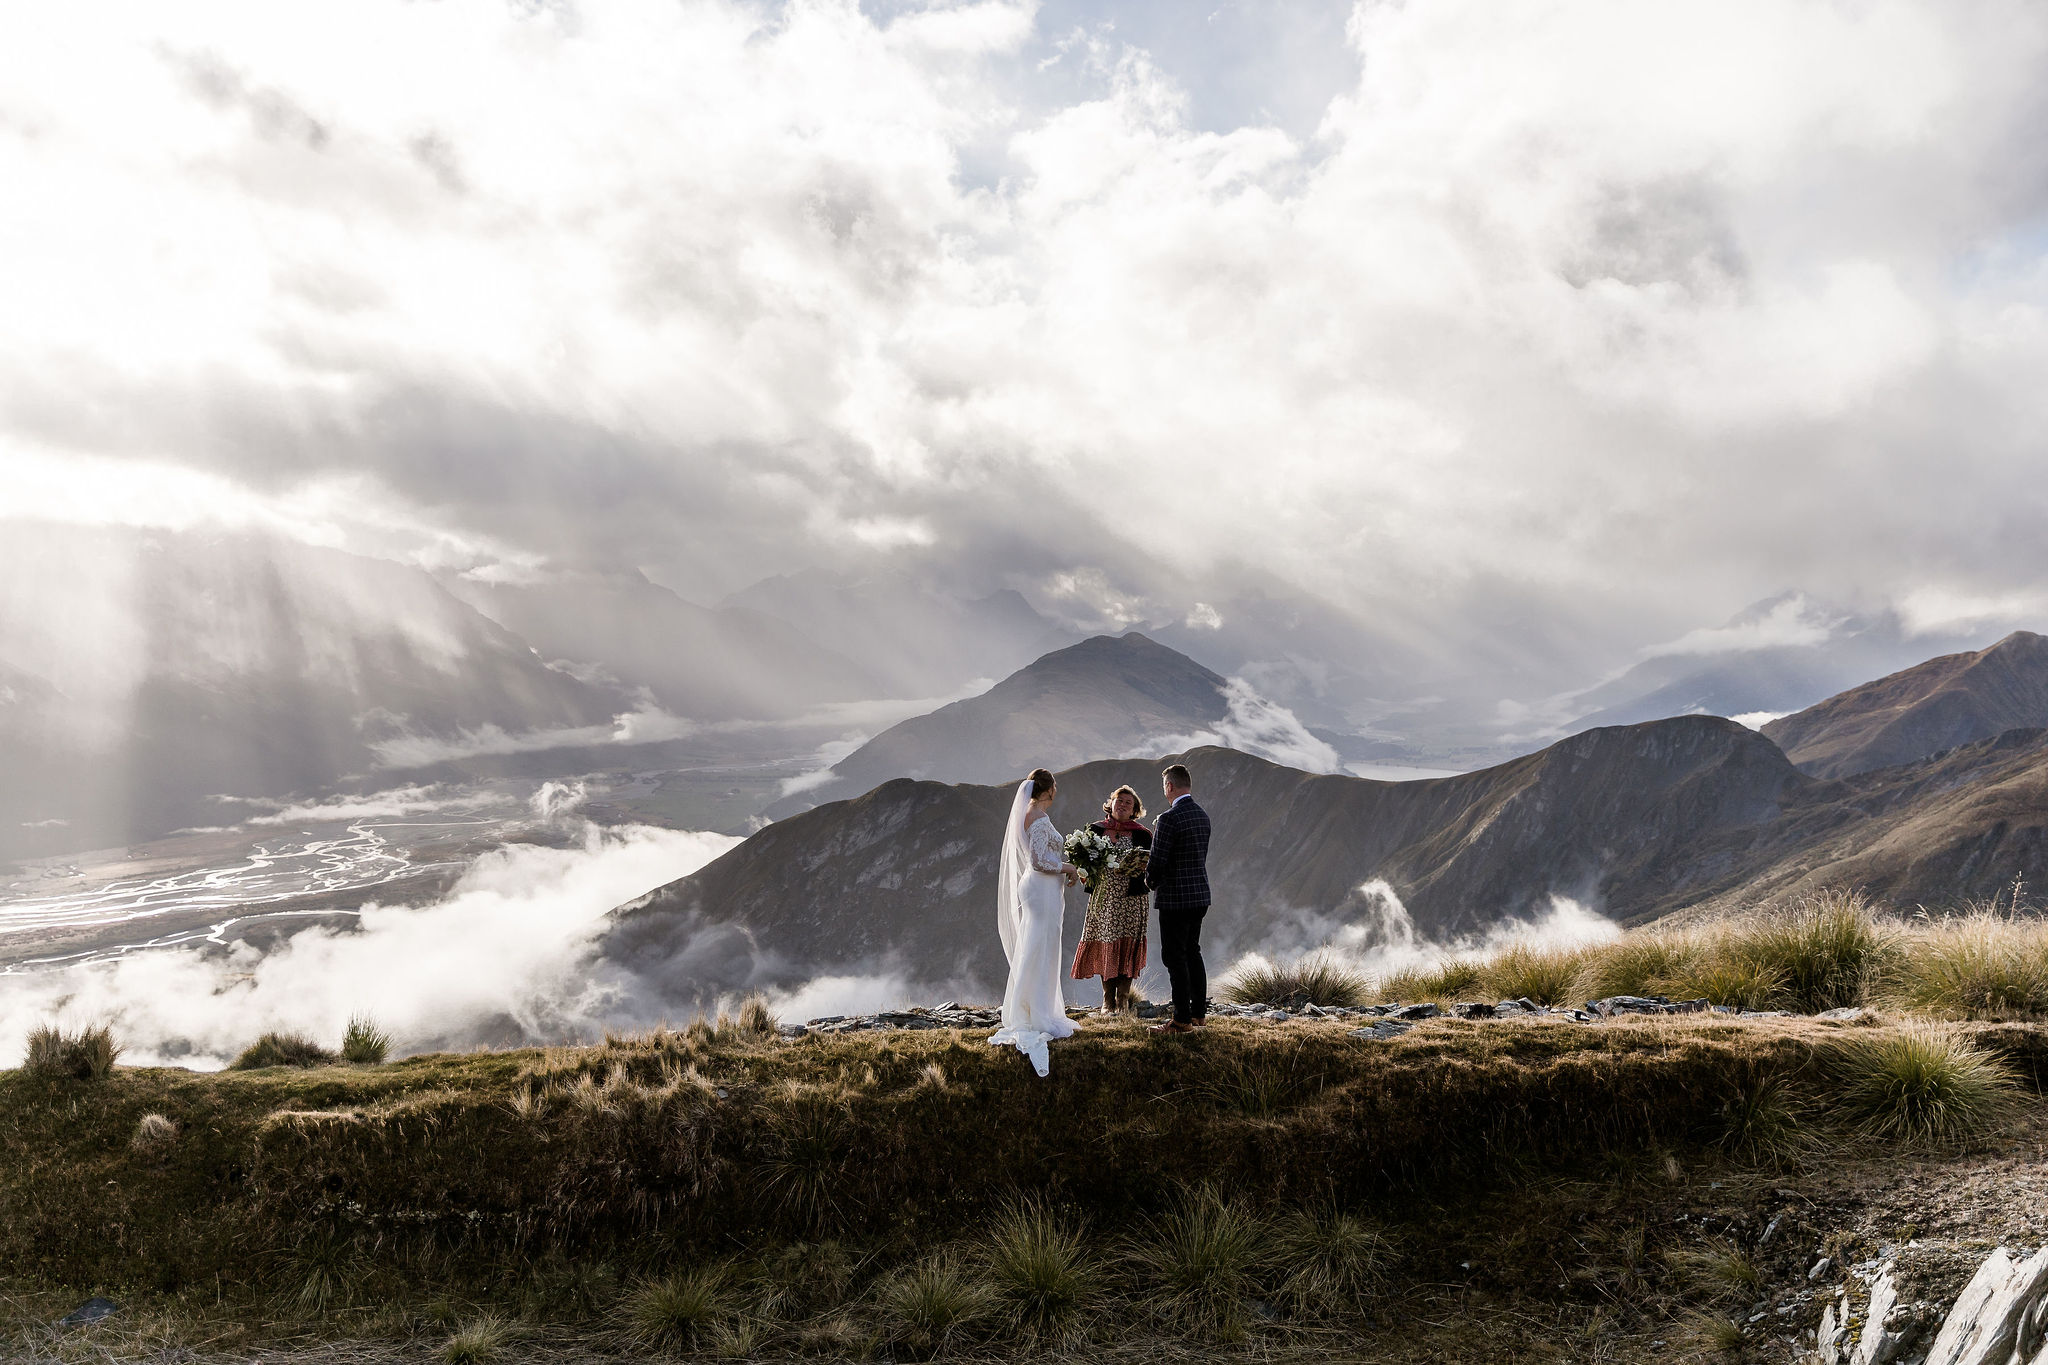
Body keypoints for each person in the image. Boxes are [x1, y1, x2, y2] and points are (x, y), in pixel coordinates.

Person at [989, 767, 1082, 1076]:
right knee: (1040, 948)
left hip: (1039, 890)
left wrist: (1063, 868)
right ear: (1048, 790)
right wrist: (1068, 868)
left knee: (1036, 946)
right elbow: (1040, 861)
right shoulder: (1039, 818)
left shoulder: (1028, 813)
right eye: (1055, 785)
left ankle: (1031, 1006)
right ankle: (1038, 1014)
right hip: (1041, 890)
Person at [1069, 784, 1152, 1014]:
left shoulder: (1142, 834)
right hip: (1104, 899)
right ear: (1111, 803)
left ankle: (1123, 1000)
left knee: (1126, 947)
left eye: (1128, 802)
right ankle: (1108, 1000)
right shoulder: (1095, 830)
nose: (1123, 805)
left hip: (1131, 899)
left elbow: (1151, 864)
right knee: (1107, 945)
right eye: (1119, 800)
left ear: (1135, 809)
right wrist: (1086, 872)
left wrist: (1140, 865)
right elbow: (1083, 863)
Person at [1143, 763, 1212, 1035]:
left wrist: (1148, 881)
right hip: (1199, 895)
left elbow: (1158, 861)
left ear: (1170, 786)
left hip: (1175, 898)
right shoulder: (1202, 815)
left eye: (1164, 786)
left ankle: (1181, 1019)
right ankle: (1198, 1014)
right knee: (1193, 952)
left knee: (1174, 956)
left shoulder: (1170, 818)